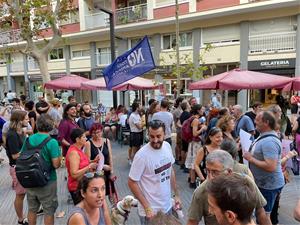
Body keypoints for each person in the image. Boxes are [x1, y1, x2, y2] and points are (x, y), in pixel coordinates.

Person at [186, 150, 271, 225]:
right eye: (207, 171)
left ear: (229, 172)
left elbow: (260, 212)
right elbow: (192, 222)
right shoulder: (201, 192)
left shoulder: (245, 182)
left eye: (215, 172)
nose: (210, 177)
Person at [128, 120, 181, 225]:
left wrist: (176, 194)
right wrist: (147, 207)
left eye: (158, 136)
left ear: (164, 134)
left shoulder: (167, 146)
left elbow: (170, 170)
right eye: (152, 136)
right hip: (151, 212)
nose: (155, 140)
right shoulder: (141, 156)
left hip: (167, 206)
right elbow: (131, 182)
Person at [243, 111, 285, 218]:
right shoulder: (264, 136)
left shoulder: (269, 141)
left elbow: (271, 166)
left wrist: (250, 158)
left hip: (268, 185)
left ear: (266, 122)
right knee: (261, 215)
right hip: (264, 183)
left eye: (257, 120)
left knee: (264, 217)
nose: (254, 121)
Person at [24, 114, 62, 225]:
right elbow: (56, 165)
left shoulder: (29, 139)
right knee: (48, 211)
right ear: (51, 126)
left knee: (32, 209)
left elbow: (22, 155)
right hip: (47, 181)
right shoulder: (52, 142)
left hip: (30, 179)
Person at [5, 110, 29, 225]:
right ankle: (20, 219)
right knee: (20, 195)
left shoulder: (20, 132)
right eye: (26, 118)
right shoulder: (12, 134)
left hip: (23, 166)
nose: (28, 120)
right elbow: (15, 155)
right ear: (19, 120)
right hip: (17, 168)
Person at [66, 128, 99, 205]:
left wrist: (93, 161)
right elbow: (74, 174)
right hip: (76, 187)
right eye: (84, 137)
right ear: (77, 139)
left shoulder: (78, 149)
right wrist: (89, 167)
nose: (86, 139)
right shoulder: (74, 152)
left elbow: (81, 163)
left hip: (82, 185)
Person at [84, 123, 115, 200]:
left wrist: (111, 171)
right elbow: (87, 161)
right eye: (94, 133)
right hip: (95, 174)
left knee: (110, 194)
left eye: (98, 132)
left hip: (106, 171)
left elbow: (110, 157)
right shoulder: (88, 143)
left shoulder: (106, 141)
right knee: (99, 195)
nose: (97, 135)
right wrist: (98, 164)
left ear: (102, 131)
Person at [185, 104, 207, 188]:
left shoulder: (194, 118)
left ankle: (191, 179)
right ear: (198, 110)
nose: (203, 110)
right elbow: (195, 133)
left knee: (192, 162)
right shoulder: (196, 120)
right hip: (195, 143)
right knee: (194, 162)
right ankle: (192, 181)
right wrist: (202, 128)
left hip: (193, 143)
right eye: (202, 109)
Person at [173, 97, 184, 164]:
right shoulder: (177, 111)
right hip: (179, 129)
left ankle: (179, 156)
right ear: (180, 102)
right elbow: (179, 121)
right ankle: (177, 157)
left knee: (180, 144)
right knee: (178, 144)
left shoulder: (180, 110)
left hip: (181, 129)